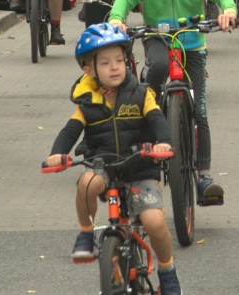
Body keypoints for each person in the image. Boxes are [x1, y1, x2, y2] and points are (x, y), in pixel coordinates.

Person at [43, 23, 182, 294]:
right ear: (89, 69)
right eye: (105, 63)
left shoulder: (142, 94)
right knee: (86, 183)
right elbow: (70, 130)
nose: (115, 67)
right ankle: (86, 233)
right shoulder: (87, 102)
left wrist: (164, 143)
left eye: (120, 60)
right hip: (103, 165)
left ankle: (167, 270)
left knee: (154, 222)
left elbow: (157, 120)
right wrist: (56, 154)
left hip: (141, 166)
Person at [107, 0, 237, 204]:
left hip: (192, 43)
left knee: (200, 110)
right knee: (159, 69)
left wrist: (228, 9)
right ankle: (148, 118)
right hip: (157, 38)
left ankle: (203, 176)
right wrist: (117, 18)